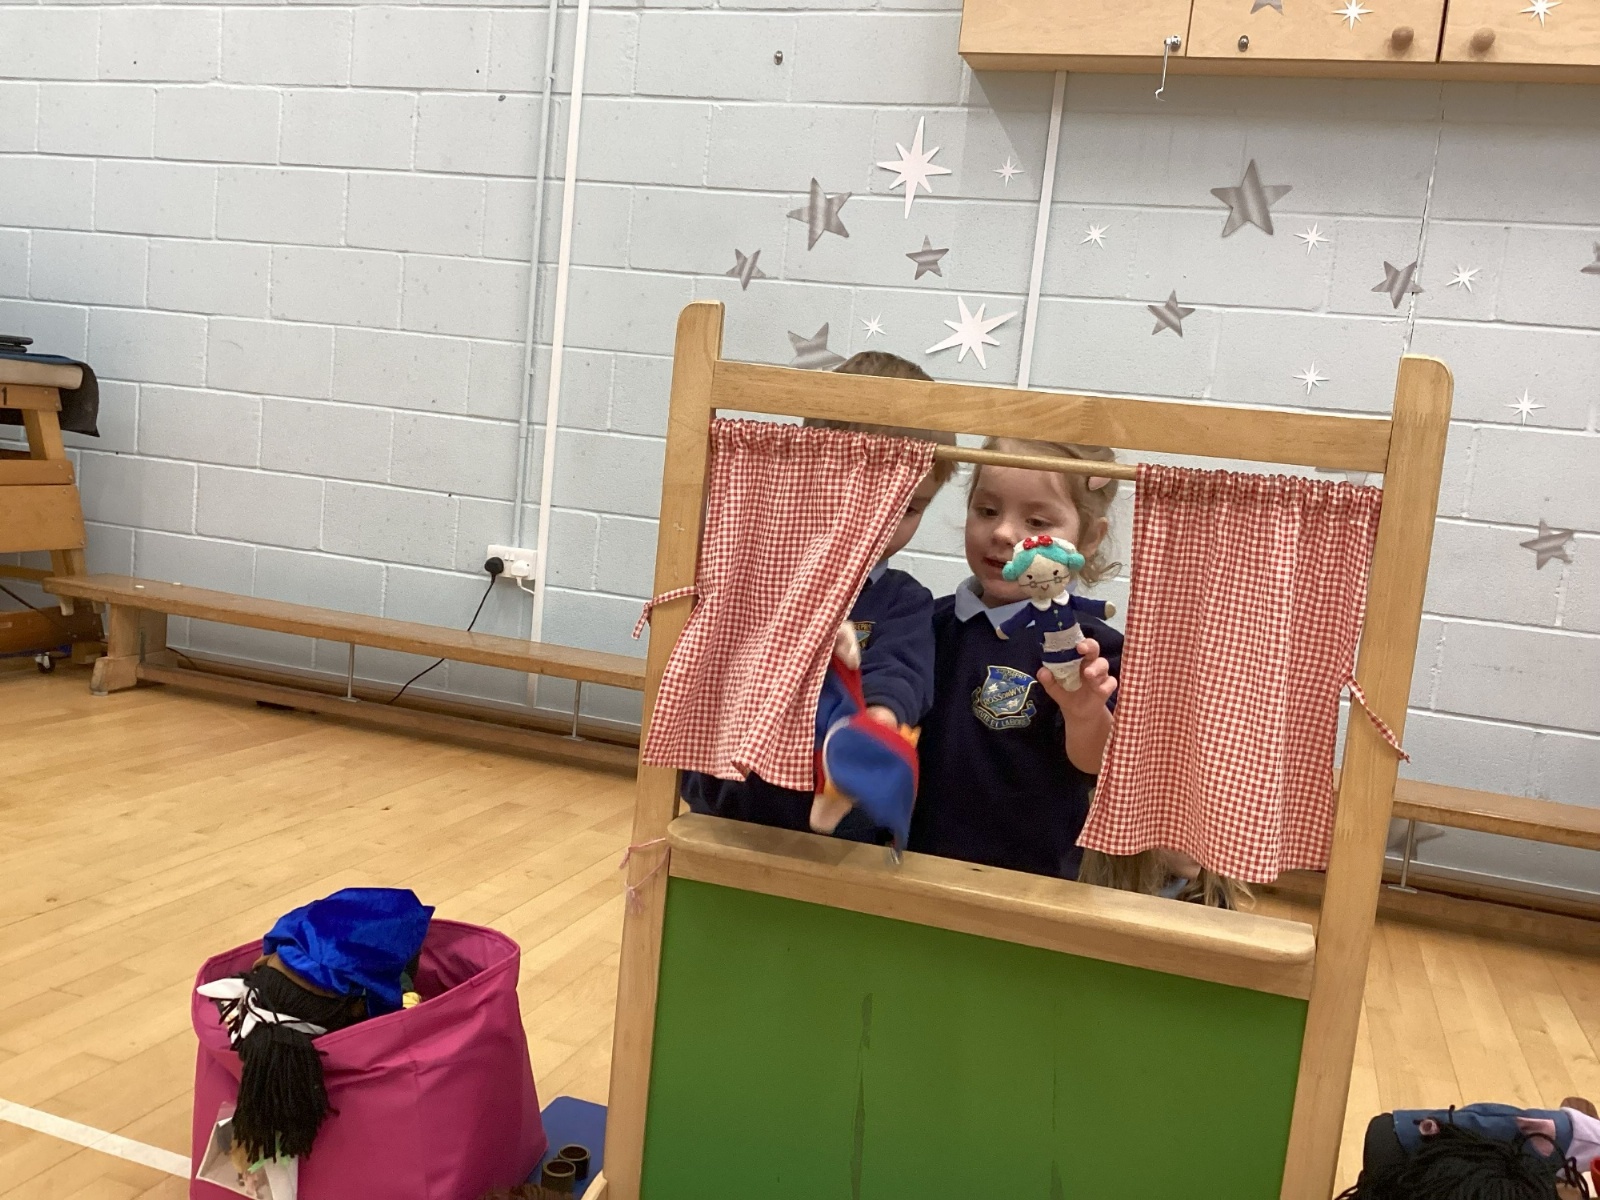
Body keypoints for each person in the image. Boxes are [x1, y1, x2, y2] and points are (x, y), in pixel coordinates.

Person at [680, 351, 955, 843]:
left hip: (840, 837)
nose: (885, 523)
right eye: (870, 498)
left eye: (911, 509)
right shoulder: (756, 571)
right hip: (724, 812)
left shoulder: (902, 600)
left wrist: (877, 724)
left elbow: (901, 672)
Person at [908, 438, 1122, 879]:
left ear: (1089, 538)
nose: (1004, 533)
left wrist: (1084, 715)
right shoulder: (924, 622)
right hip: (906, 871)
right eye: (987, 510)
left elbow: (1101, 764)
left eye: (1037, 521)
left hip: (1027, 888)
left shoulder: (1092, 650)